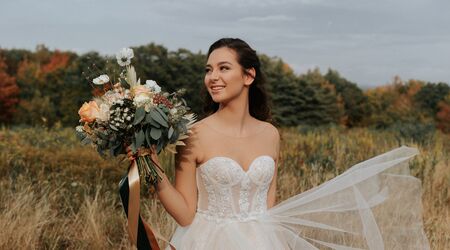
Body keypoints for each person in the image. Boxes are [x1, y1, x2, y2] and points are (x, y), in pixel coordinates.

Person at [129, 38, 430, 249]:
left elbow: (268, 204)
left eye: (223, 68)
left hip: (263, 241)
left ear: (248, 76)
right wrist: (150, 164)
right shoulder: (193, 134)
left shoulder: (270, 134)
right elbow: (185, 214)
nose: (212, 77)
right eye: (208, 69)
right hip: (208, 242)